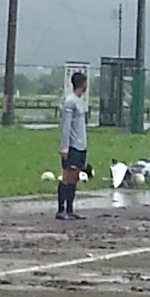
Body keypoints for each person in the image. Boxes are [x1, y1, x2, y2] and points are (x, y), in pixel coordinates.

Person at [57, 71, 88, 221]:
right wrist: (65, 147)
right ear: (82, 83)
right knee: (67, 176)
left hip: (81, 145)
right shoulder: (70, 102)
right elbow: (66, 126)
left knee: (75, 177)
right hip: (73, 145)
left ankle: (70, 209)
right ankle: (61, 209)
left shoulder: (80, 101)